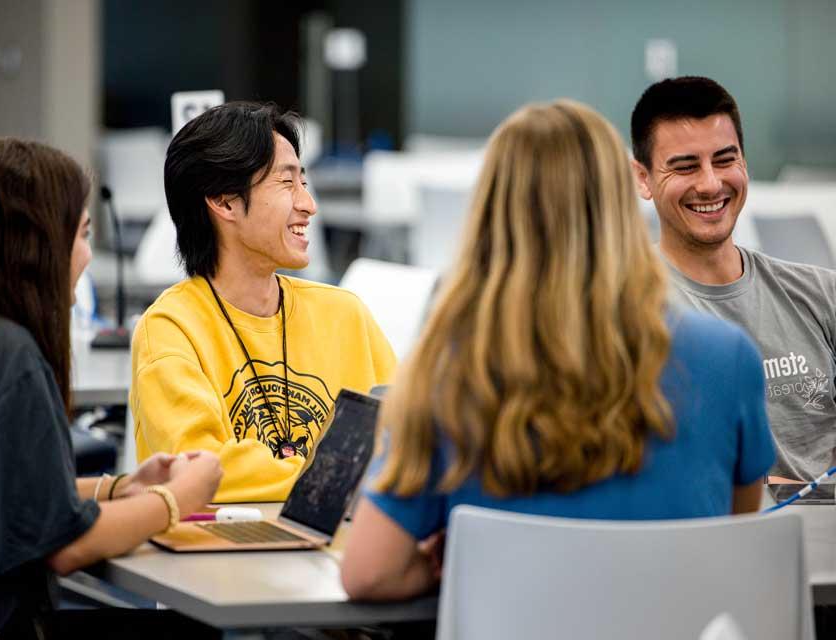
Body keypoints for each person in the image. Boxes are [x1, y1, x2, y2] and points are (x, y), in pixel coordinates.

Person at [340, 100, 775, 601]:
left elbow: (369, 573)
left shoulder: (450, 372)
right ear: (620, 202)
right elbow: (737, 540)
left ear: (491, 209)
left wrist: (446, 566)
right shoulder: (729, 359)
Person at [0, 138, 222, 638]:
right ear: (38, 242)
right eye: (81, 234)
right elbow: (62, 545)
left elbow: (9, 493)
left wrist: (123, 487)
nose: (86, 256)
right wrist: (175, 501)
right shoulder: (9, 357)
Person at [131, 102, 396, 503]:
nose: (308, 204)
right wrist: (340, 482)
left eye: (303, 182)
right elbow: (200, 470)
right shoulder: (171, 330)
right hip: (220, 557)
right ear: (224, 202)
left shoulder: (345, 315)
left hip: (334, 554)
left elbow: (408, 442)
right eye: (286, 183)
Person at [630, 76, 836, 483]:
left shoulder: (822, 296)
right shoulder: (624, 310)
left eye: (725, 160)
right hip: (704, 541)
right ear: (643, 178)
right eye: (685, 166)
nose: (710, 183)